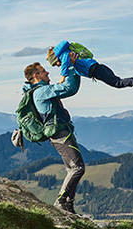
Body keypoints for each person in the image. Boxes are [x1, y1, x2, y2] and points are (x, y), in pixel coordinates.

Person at [11, 62, 85, 214]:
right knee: (77, 168)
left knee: (73, 168)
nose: (48, 73)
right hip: (60, 135)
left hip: (60, 134)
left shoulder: (39, 91)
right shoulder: (41, 91)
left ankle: (68, 206)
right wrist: (73, 66)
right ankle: (62, 202)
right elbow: (69, 88)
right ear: (36, 76)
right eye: (44, 71)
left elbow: (66, 88)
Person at [47, 40, 133, 96]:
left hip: (96, 70)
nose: (58, 65)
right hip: (97, 68)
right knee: (118, 82)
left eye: (55, 63)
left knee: (117, 83)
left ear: (56, 58)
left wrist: (62, 78)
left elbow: (65, 63)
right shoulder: (69, 56)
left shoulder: (65, 55)